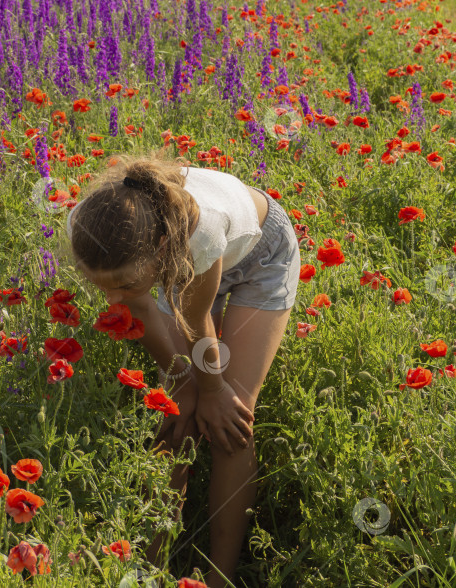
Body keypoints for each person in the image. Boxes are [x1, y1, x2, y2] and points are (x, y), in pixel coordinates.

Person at [65, 148, 300, 587]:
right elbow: (143, 308)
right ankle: (148, 569)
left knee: (233, 419)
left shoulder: (200, 235)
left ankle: (219, 576)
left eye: (124, 286)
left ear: (158, 253)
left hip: (260, 256)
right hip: (168, 261)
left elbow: (197, 322)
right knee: (173, 414)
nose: (112, 302)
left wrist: (212, 391)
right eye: (102, 287)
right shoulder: (91, 232)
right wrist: (180, 383)